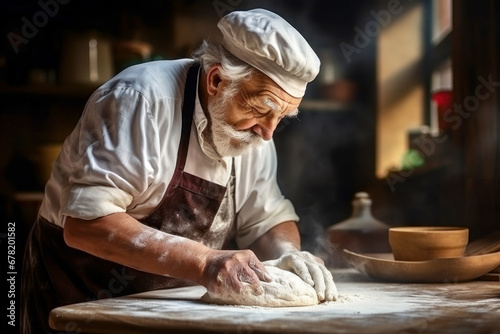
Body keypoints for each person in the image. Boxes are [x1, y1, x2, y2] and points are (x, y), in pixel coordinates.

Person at [21, 8, 337, 333]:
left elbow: (266, 219)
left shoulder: (254, 133)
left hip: (164, 315)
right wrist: (205, 261)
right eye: (261, 109)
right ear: (217, 79)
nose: (269, 133)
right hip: (76, 303)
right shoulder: (141, 100)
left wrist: (288, 254)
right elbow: (85, 224)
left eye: (281, 118)